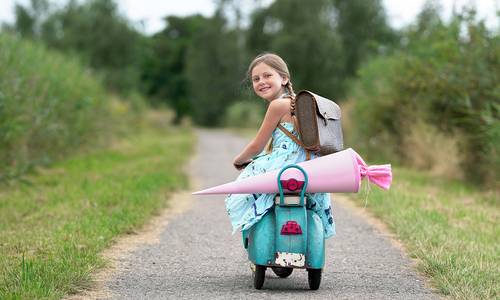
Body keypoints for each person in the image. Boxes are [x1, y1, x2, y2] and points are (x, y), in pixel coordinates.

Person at [225, 53, 335, 239]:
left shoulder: (277, 106)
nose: (261, 82)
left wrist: (239, 159)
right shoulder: (297, 104)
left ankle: (254, 231)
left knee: (241, 191)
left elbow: (256, 146)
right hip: (311, 167)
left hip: (285, 166)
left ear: (284, 78)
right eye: (256, 79)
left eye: (268, 75)